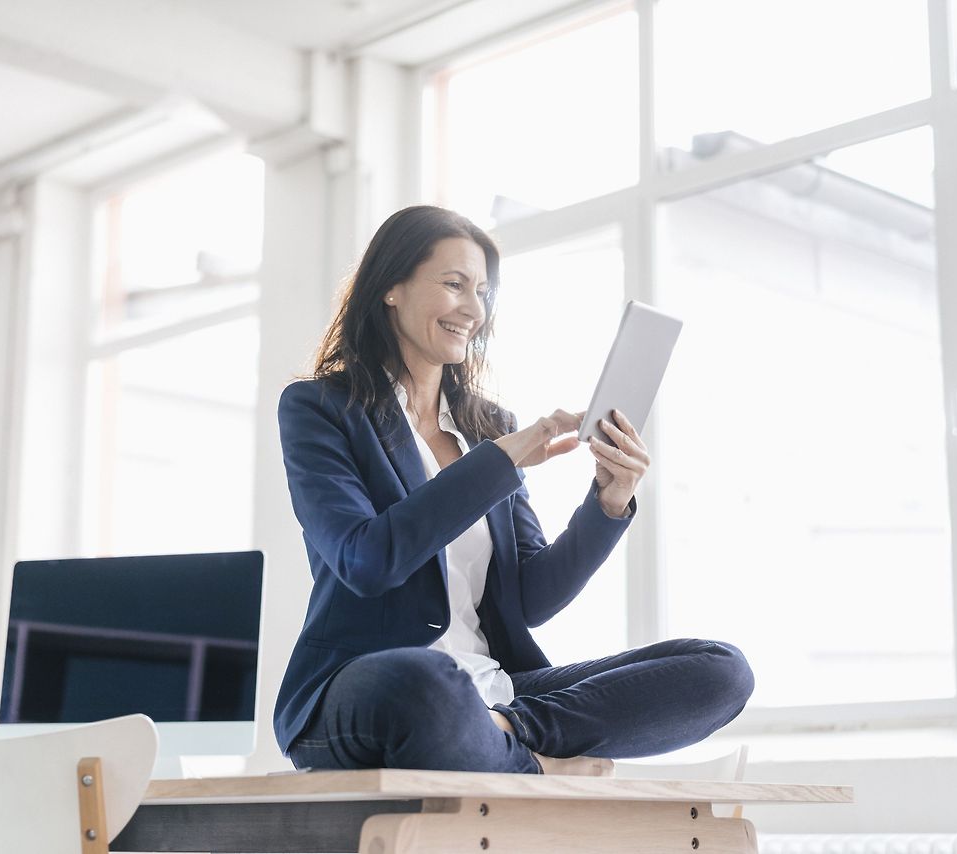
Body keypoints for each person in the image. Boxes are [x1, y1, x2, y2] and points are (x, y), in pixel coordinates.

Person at [274, 205, 753, 775]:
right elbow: (368, 561)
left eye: (482, 291)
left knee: (720, 669)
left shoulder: (487, 427)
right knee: (424, 681)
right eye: (454, 285)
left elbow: (532, 599)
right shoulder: (321, 409)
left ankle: (513, 738)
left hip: (495, 692)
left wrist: (608, 501)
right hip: (373, 685)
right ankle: (543, 761)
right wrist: (502, 460)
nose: (473, 309)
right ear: (391, 288)